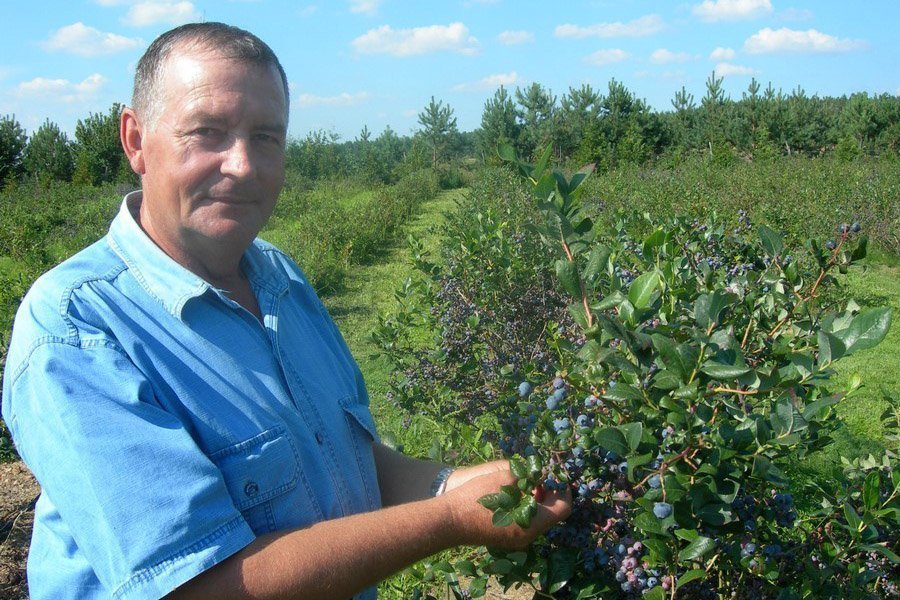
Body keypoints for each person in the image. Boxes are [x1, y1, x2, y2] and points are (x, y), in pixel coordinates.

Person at [1, 22, 571, 599]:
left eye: (266, 137)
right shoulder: (77, 330)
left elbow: (342, 459)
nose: (243, 165)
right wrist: (449, 520)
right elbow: (200, 589)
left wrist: (457, 486)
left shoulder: (279, 278)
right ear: (135, 140)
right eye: (207, 132)